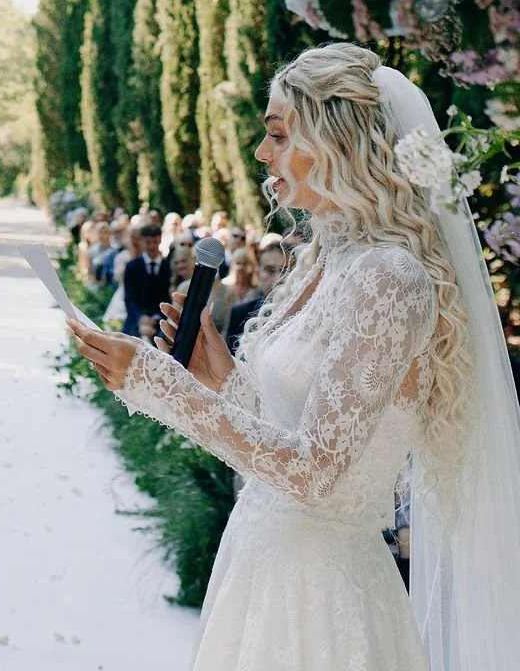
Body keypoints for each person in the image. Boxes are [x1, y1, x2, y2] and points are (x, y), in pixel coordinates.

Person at [68, 42, 520, 671]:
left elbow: (314, 472)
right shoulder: (321, 261)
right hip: (259, 563)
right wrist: (219, 376)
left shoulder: (389, 278)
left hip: (322, 596)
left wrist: (155, 382)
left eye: (279, 134)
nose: (261, 153)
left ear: (338, 143)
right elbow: (290, 428)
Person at [225, 242, 290, 355]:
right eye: (270, 270)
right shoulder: (240, 313)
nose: (278, 278)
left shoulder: (304, 312)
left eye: (284, 270)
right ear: (258, 271)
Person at [122, 224, 169, 337]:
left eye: (155, 242)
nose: (152, 246)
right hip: (137, 317)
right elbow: (129, 298)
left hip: (161, 318)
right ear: (142, 241)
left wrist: (156, 318)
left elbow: (168, 297)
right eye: (148, 242)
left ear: (160, 240)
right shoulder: (132, 267)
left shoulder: (168, 266)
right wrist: (140, 318)